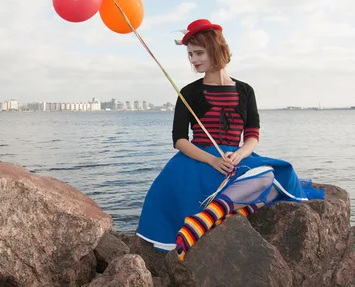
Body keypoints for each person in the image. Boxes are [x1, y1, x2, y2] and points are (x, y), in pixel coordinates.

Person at [136, 19, 324, 261]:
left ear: (215, 49)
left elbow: (253, 136)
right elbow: (180, 140)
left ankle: (205, 218)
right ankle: (227, 212)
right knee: (267, 184)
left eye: (199, 52)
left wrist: (240, 154)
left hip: (236, 157)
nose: (193, 60)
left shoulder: (246, 90)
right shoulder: (189, 92)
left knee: (271, 176)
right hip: (199, 160)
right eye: (190, 54)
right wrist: (213, 161)